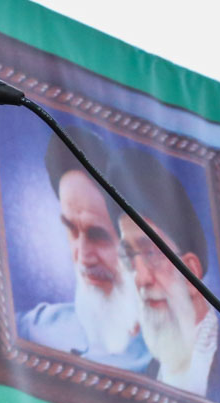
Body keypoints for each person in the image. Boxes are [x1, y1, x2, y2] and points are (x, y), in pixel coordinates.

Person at [107, 145, 220, 403]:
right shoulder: (143, 378)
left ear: (190, 271)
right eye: (130, 257)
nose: (141, 278)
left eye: (151, 253)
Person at [16, 133, 150, 372]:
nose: (83, 257)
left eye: (98, 236)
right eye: (72, 230)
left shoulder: (174, 363)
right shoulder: (37, 327)